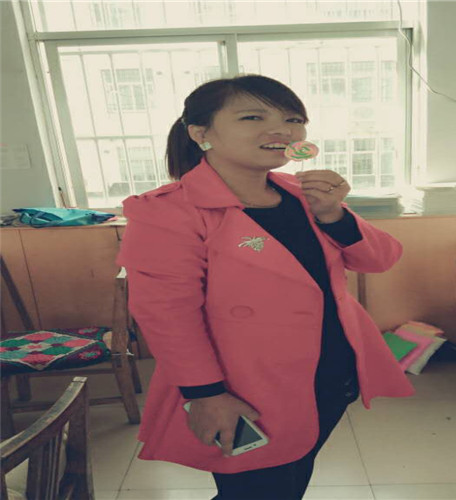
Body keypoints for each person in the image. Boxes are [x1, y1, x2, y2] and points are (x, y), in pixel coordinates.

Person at [117, 74, 415, 500]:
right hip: (245, 386)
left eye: (293, 119)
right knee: (256, 490)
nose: (281, 130)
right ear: (200, 133)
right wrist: (206, 395)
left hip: (332, 371)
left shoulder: (303, 194)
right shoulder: (168, 211)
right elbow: (167, 314)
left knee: (290, 479)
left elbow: (380, 259)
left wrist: (335, 215)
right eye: (252, 117)